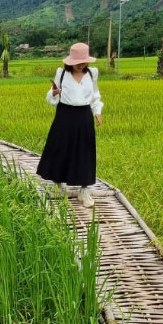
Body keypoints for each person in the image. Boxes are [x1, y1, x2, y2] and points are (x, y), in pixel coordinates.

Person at [36, 42, 103, 207]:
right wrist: (53, 92)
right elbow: (51, 98)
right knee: (60, 148)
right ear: (70, 62)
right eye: (78, 63)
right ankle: (58, 185)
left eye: (84, 62)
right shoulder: (62, 74)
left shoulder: (92, 74)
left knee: (85, 150)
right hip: (64, 114)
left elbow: (95, 95)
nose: (81, 65)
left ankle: (84, 190)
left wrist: (97, 111)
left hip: (84, 115)